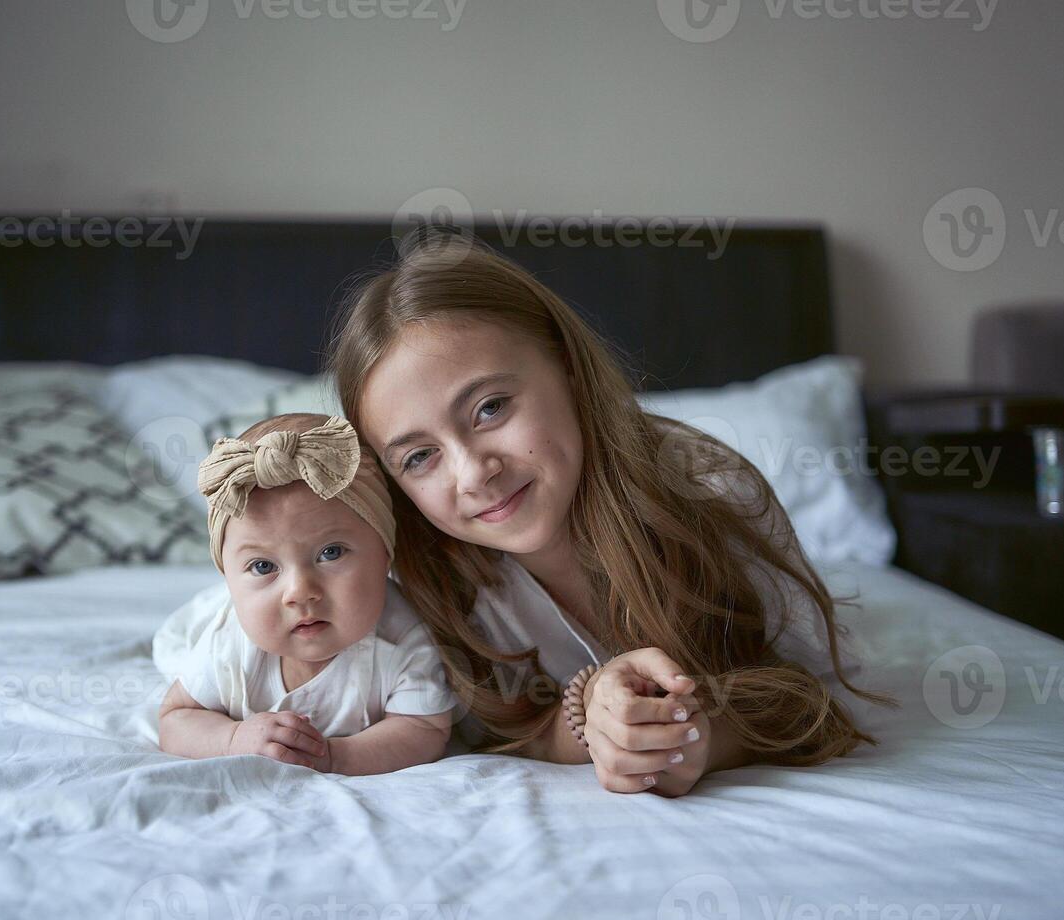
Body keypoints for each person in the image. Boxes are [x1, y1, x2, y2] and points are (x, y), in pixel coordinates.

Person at [325, 234, 889, 797]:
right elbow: (499, 728)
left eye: (490, 408)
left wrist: (698, 738)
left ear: (568, 367)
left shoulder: (709, 494)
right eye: (420, 457)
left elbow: (818, 695)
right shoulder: (426, 575)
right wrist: (595, 719)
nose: (472, 474)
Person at [153, 412, 457, 775]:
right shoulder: (227, 643)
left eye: (331, 553)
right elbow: (175, 718)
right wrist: (232, 738)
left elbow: (425, 728)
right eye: (263, 566)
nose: (299, 592)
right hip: (199, 620)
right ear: (229, 578)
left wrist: (335, 756)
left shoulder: (404, 638)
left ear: (384, 554)